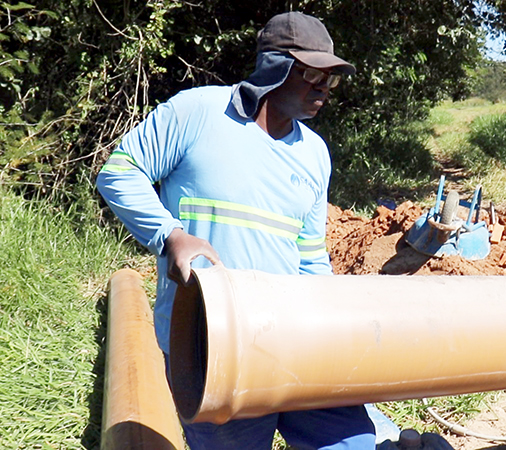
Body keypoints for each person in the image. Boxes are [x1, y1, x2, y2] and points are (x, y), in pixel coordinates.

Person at [97, 11, 379, 449]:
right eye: (311, 73)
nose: (323, 87)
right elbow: (120, 171)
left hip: (294, 338)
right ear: (274, 66)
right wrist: (170, 235)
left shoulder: (315, 154)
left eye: (331, 78)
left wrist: (333, 330)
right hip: (210, 346)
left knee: (355, 442)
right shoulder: (199, 112)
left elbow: (310, 256)